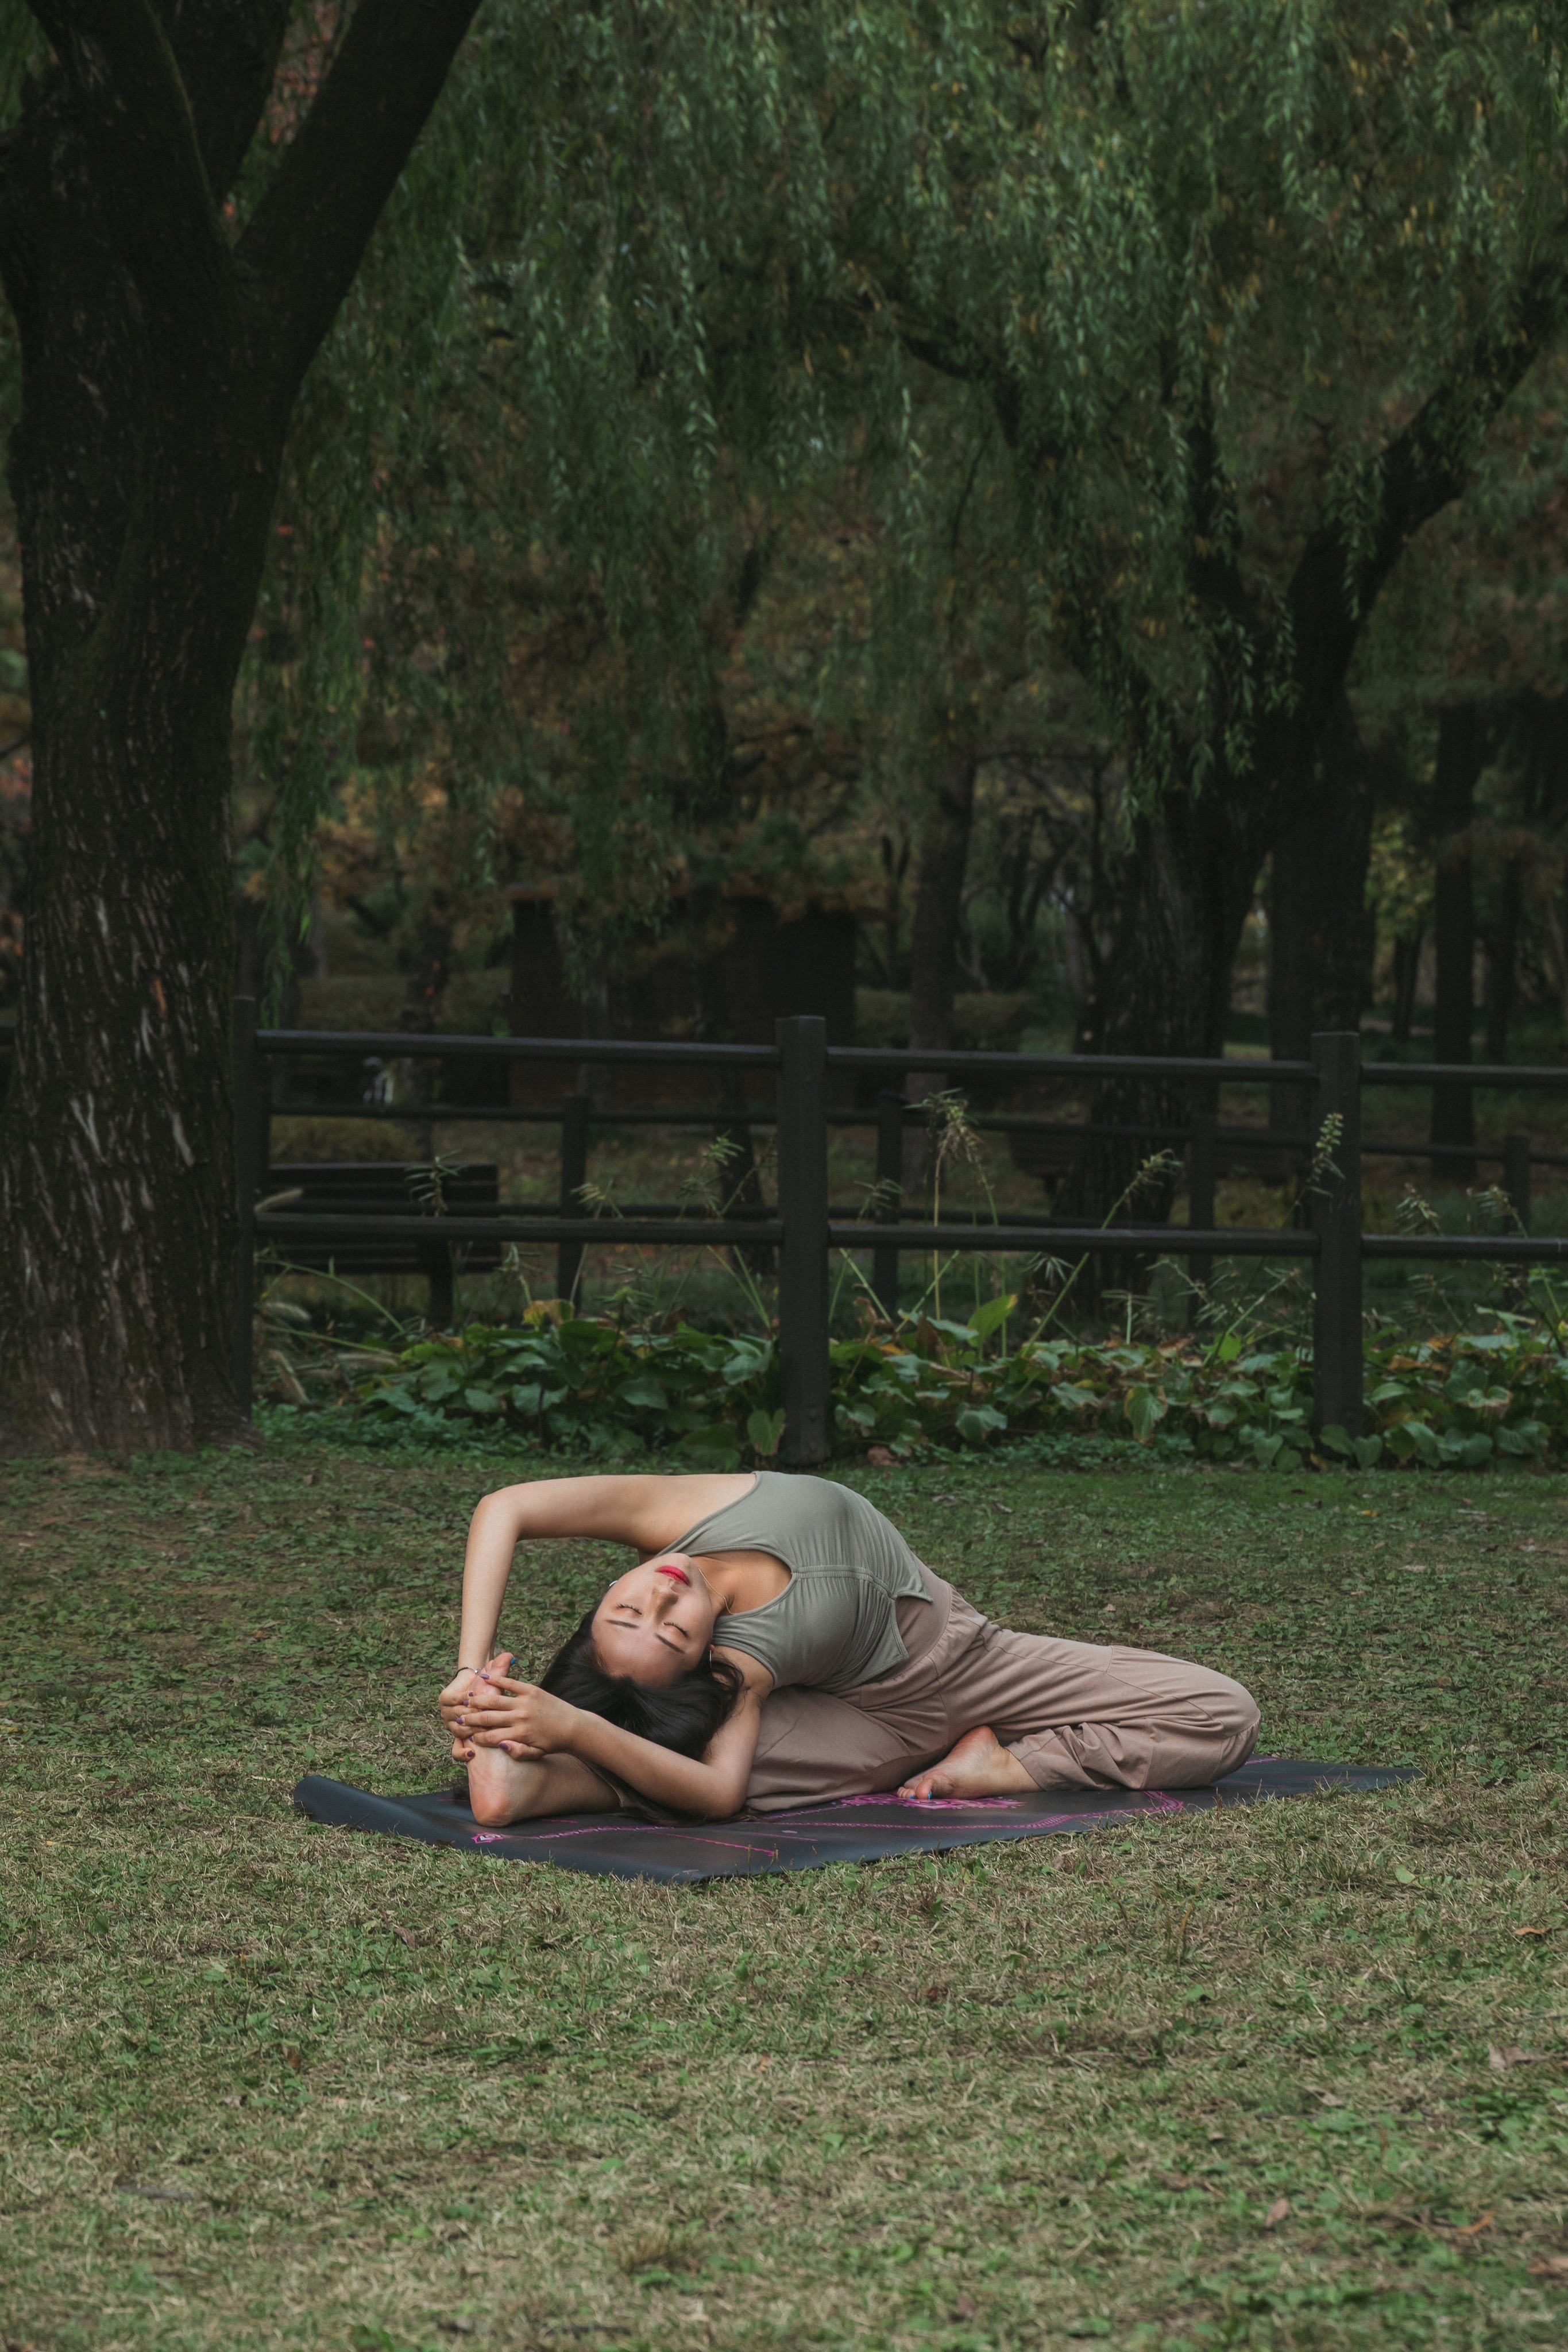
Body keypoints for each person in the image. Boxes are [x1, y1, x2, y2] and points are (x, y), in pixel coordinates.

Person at [440, 1471, 1260, 1826]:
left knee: (1222, 1713)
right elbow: (719, 1794)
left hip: (967, 1659)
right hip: (865, 1725)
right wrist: (575, 1727)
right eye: (673, 1629)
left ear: (599, 1602)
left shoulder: (679, 1516)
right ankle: (532, 1766)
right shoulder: (741, 1666)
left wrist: (471, 1668)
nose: (661, 1592)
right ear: (704, 1658)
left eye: (629, 1605)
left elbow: (506, 1507)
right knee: (676, 1773)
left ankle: (998, 1765)